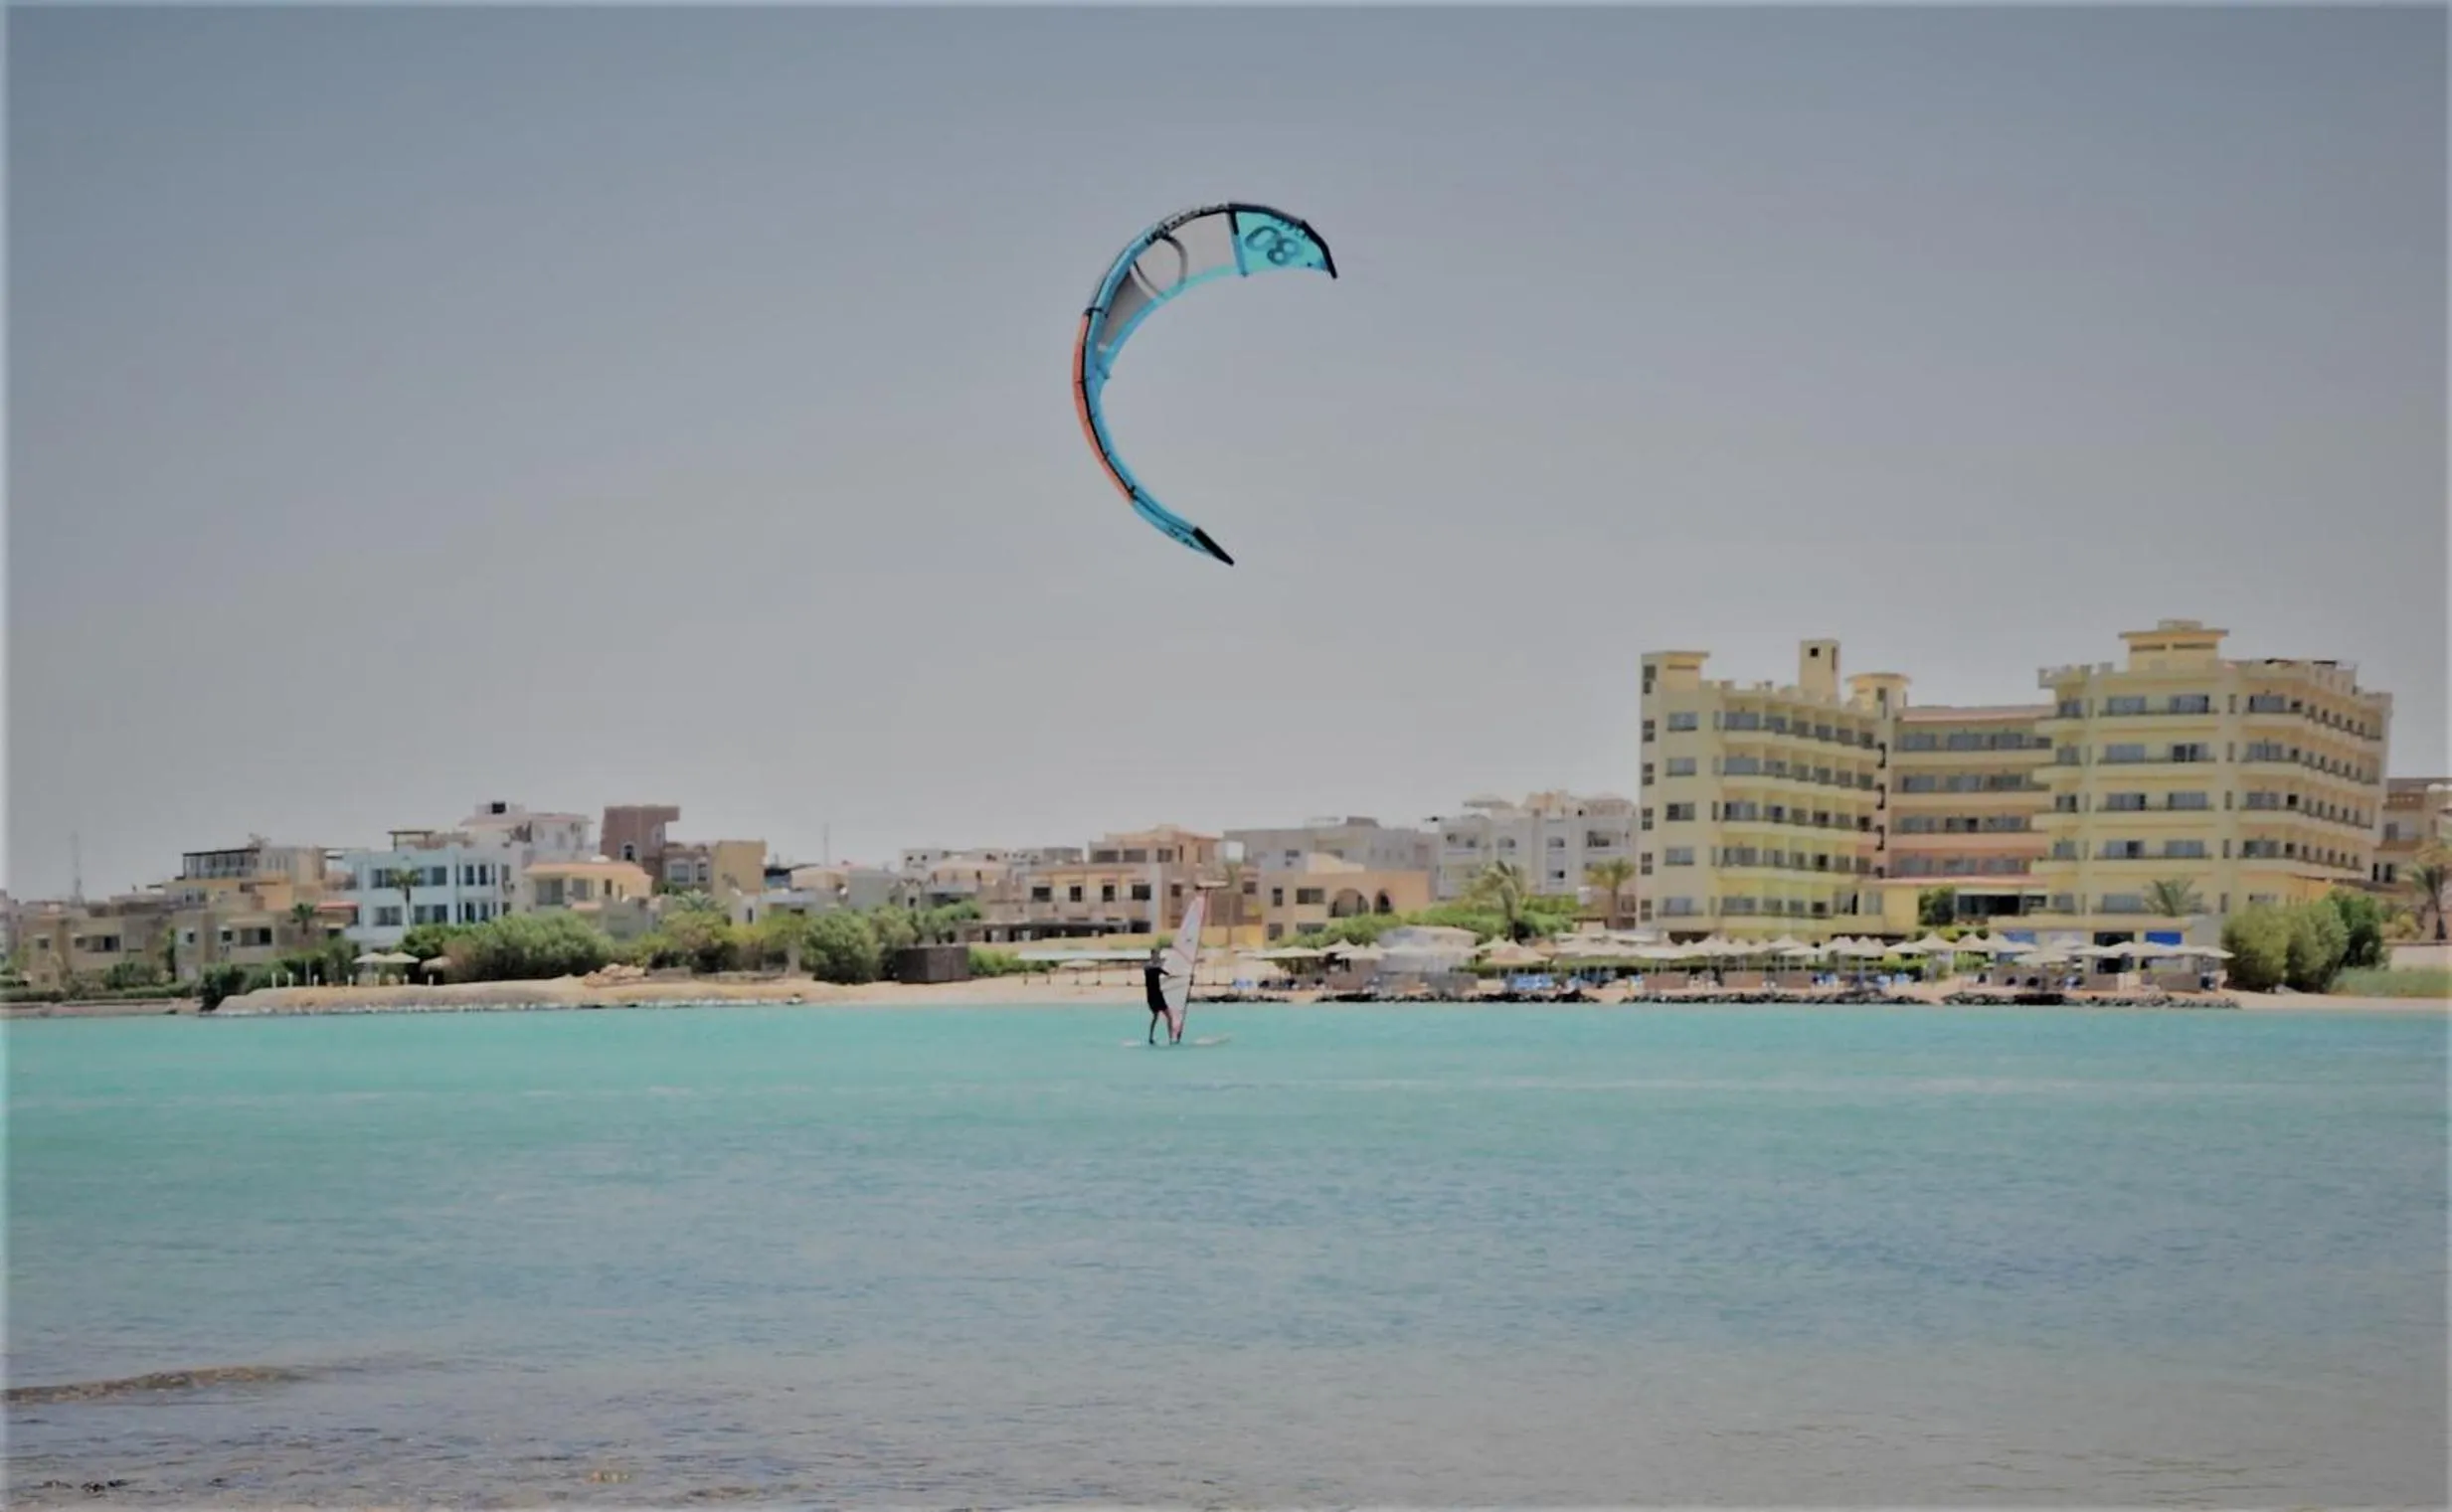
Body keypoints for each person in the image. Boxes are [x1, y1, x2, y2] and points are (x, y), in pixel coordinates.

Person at [1142, 945, 1179, 1045]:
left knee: (1169, 1016)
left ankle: (1171, 1038)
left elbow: (1168, 975)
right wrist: (1160, 965)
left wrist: (1182, 976)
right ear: (1152, 955)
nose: (1158, 956)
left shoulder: (1157, 968)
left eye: (1158, 954)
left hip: (1158, 995)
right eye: (1156, 954)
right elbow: (1150, 969)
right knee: (1155, 1016)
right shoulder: (1148, 967)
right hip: (1151, 996)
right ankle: (1150, 1037)